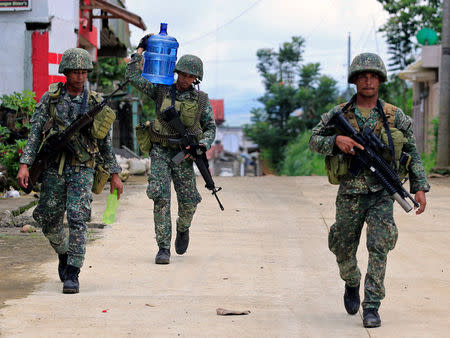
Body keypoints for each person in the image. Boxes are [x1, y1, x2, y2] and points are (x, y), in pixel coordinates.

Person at [309, 53, 429, 328]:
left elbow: (412, 151)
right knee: (342, 246)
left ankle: (372, 305)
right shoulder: (340, 113)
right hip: (350, 193)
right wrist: (336, 140)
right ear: (354, 81)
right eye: (362, 76)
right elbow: (314, 139)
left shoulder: (394, 115)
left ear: (380, 80)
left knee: (379, 247)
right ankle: (351, 282)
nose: (367, 80)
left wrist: (419, 187)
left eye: (373, 76)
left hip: (382, 193)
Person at [17, 48, 123, 294]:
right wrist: (25, 164)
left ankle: (73, 272)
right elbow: (34, 134)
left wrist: (115, 175)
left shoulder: (96, 103)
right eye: (75, 72)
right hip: (53, 167)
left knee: (78, 218)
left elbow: (106, 145)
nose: (79, 76)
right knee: (46, 219)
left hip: (82, 169)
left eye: (83, 72)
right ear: (66, 73)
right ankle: (64, 253)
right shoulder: (51, 99)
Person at [125, 35, 216, 264]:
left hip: (184, 156)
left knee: (189, 201)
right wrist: (140, 51)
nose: (185, 79)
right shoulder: (161, 90)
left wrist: (202, 144)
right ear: (176, 72)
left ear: (197, 78)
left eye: (190, 75)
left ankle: (183, 228)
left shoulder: (202, 101)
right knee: (160, 198)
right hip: (161, 152)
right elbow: (133, 76)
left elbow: (210, 128)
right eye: (182, 74)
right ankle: (163, 247)